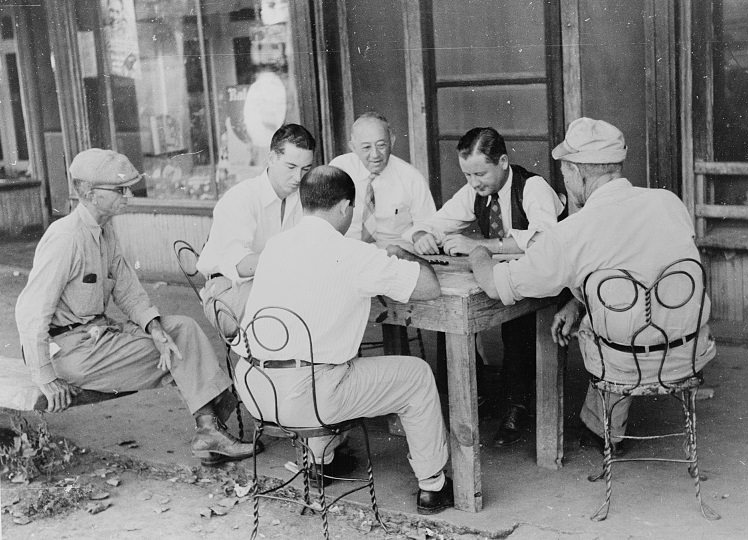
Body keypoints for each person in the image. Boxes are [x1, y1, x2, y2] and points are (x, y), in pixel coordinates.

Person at [469, 118, 717, 455]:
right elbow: (642, 272)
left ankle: (604, 432)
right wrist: (577, 303)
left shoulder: (574, 231)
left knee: (601, 327)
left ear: (575, 172)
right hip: (691, 353)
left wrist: (480, 252)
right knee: (619, 313)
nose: (565, 179)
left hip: (628, 362)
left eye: (565, 172)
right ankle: (598, 427)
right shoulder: (668, 202)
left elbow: (498, 285)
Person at [15, 148, 258, 466]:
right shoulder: (65, 238)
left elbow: (129, 292)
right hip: (72, 353)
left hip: (97, 339)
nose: (128, 195)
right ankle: (210, 429)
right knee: (181, 353)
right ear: (89, 192)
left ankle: (210, 429)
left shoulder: (105, 232)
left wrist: (155, 329)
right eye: (119, 190)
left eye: (128, 188)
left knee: (180, 330)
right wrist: (45, 378)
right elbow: (30, 312)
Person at [234, 165, 454, 514]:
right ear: (344, 208)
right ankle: (433, 486)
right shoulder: (353, 254)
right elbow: (429, 287)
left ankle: (322, 461)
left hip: (256, 390)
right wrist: (400, 252)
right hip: (307, 396)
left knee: (327, 359)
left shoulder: (275, 247)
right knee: (416, 376)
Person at [403, 127, 565, 447]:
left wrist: (481, 245)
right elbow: (437, 222)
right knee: (448, 315)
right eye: (467, 174)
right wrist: (424, 234)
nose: (473, 182)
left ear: (503, 161)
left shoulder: (533, 188)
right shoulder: (475, 191)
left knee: (516, 324)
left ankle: (517, 406)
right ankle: (476, 397)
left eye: (479, 173)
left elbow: (546, 242)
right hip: (506, 276)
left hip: (550, 282)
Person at [196, 124, 315, 334]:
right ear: (271, 158)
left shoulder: (301, 198)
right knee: (304, 311)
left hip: (273, 286)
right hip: (227, 294)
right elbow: (241, 266)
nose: (298, 177)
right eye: (291, 167)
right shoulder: (241, 198)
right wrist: (293, 256)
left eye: (306, 169)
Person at [329, 112, 436, 248]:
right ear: (353, 147)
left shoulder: (411, 178)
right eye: (366, 147)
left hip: (396, 254)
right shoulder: (339, 170)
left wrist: (421, 234)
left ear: (392, 140)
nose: (375, 155)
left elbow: (428, 224)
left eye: (381, 145)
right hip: (349, 253)